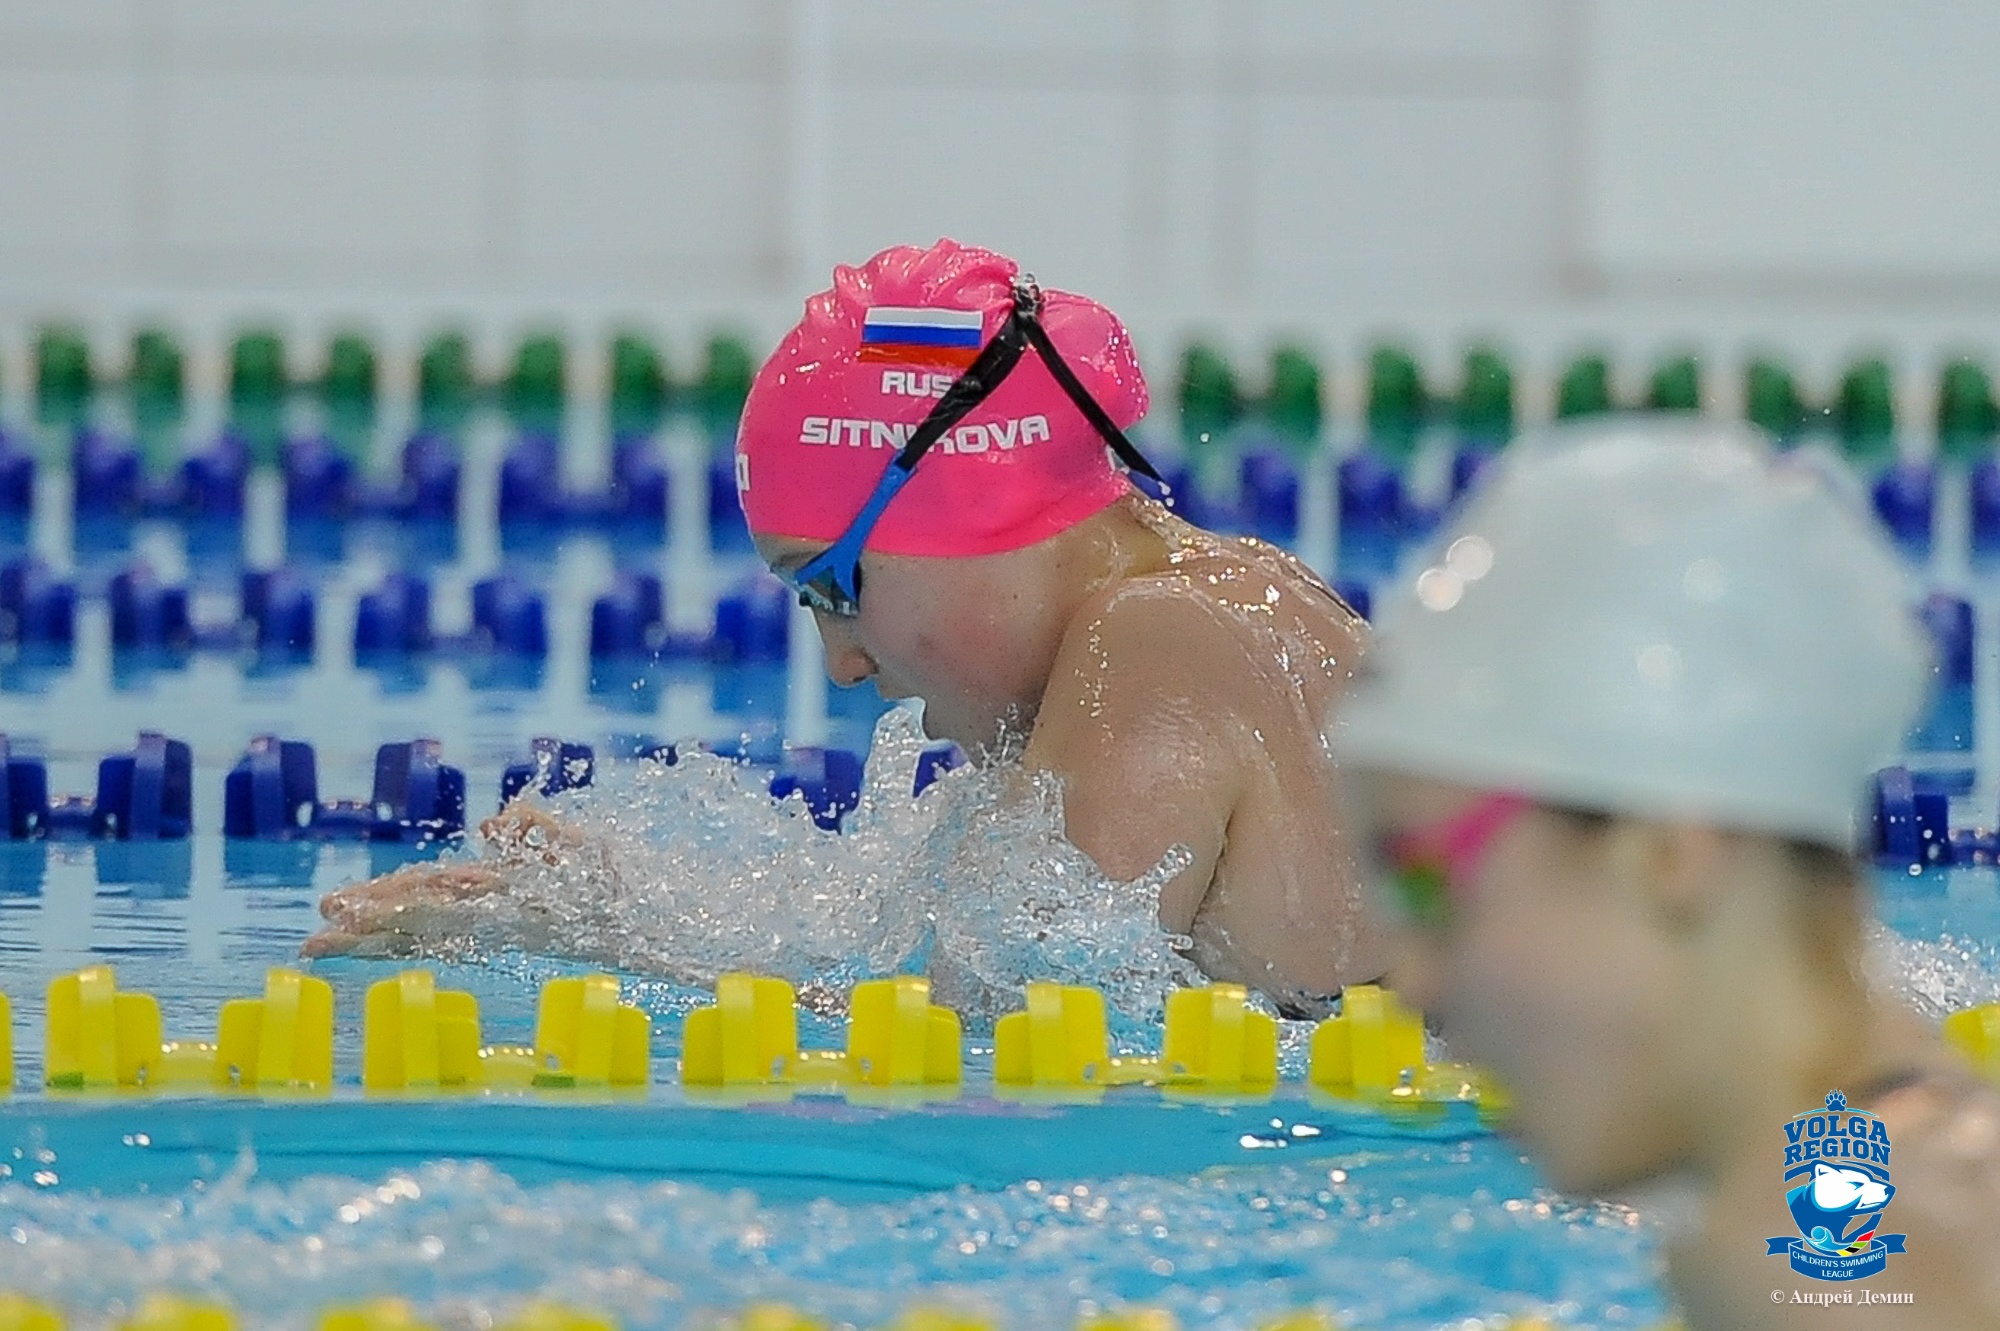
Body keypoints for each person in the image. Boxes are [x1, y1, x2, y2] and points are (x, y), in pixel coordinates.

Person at [308, 239, 1390, 1016]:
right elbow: (967, 950)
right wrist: (638, 899)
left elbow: (1000, 1022)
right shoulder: (1244, 589)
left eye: (832, 584)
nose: (844, 660)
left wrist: (581, 942)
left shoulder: (1155, 644)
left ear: (962, 511)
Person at [1338, 418, 2000, 1328]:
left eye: (1428, 885)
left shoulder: (1818, 1273)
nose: (1410, 979)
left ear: (1667, 855)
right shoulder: (1930, 1179)